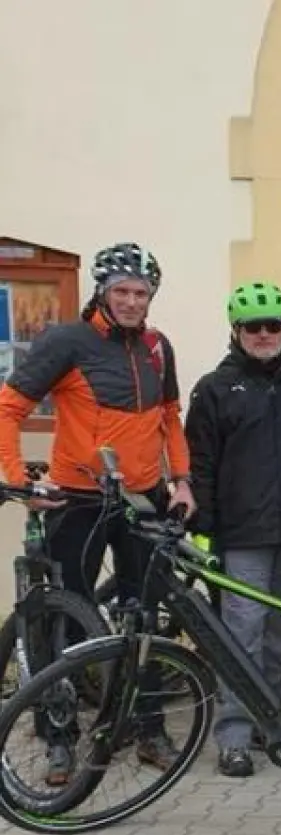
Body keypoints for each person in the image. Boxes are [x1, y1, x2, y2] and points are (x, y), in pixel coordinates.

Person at [0, 242, 195, 777]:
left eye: (142, 293)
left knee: (148, 611)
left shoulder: (157, 347)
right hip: (78, 499)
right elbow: (8, 407)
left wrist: (181, 481)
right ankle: (59, 738)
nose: (133, 301)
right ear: (102, 293)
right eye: (123, 292)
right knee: (65, 619)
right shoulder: (68, 341)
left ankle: (148, 728)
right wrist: (19, 480)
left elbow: (170, 419)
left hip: (143, 498)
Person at [184, 281, 281, 777]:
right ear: (236, 331)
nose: (264, 334)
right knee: (242, 636)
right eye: (253, 327)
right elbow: (198, 466)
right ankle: (234, 737)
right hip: (242, 537)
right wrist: (205, 533)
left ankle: (270, 724)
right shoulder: (215, 390)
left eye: (274, 326)